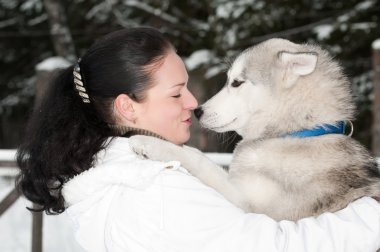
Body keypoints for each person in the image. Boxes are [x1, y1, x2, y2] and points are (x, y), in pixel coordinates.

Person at [16, 27, 380, 252]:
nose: (194, 102)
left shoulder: (116, 172)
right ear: (127, 107)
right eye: (177, 94)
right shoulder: (157, 191)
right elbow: (279, 246)